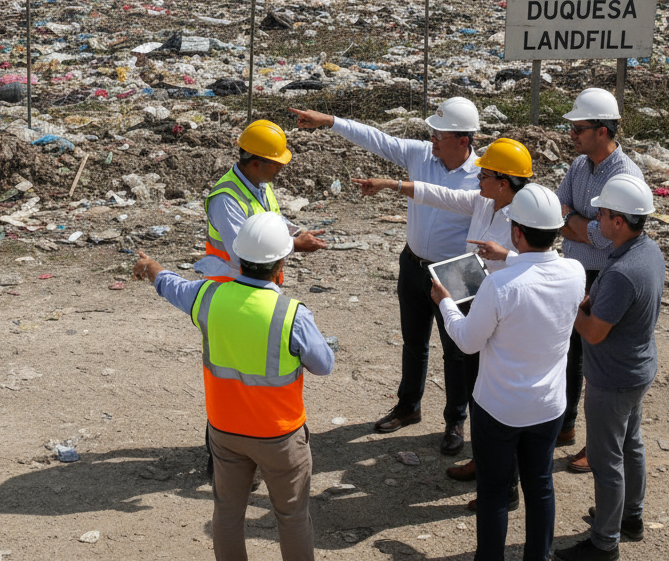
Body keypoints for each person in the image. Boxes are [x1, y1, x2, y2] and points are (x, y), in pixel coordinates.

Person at [133, 212, 335, 561]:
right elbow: (324, 365)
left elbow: (172, 286)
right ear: (281, 263)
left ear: (239, 258)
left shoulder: (209, 297)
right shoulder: (291, 314)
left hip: (225, 430)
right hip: (279, 437)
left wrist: (151, 267)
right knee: (292, 517)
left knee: (227, 513)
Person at [290, 96, 480, 455]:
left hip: (455, 272)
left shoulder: (482, 177)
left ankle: (456, 419)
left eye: (440, 134)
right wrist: (329, 120)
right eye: (432, 132)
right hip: (413, 263)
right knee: (414, 342)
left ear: (463, 141)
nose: (432, 139)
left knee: (457, 351)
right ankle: (409, 405)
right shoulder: (422, 155)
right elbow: (378, 139)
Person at [354, 137, 533, 497]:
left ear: (503, 181)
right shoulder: (486, 201)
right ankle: (482, 461)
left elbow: (540, 266)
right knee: (474, 378)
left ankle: (502, 482)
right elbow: (440, 195)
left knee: (486, 385)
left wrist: (505, 257)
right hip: (476, 292)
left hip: (505, 311)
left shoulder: (526, 217)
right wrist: (391, 184)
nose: (476, 179)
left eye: (484, 175)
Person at [433, 184, 586, 561]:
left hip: (498, 407)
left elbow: (468, 342)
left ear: (516, 231)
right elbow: (539, 270)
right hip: (548, 406)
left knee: (494, 492)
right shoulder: (575, 272)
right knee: (539, 487)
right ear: (556, 231)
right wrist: (511, 256)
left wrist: (446, 303)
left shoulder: (499, 285)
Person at [554, 175, 664, 561]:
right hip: (636, 370)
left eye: (602, 213)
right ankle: (630, 518)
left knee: (606, 460)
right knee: (630, 445)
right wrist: (590, 304)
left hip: (613, 379)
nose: (596, 219)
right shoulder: (648, 252)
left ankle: (604, 544)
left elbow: (595, 334)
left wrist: (570, 308)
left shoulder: (620, 272)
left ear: (619, 221)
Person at [556, 88, 644, 472]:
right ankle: (567, 424)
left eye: (580, 127)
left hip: (605, 276)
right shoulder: (579, 167)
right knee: (572, 356)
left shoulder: (624, 176)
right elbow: (558, 213)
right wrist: (578, 224)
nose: (572, 134)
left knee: (599, 362)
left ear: (603, 130)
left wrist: (577, 224)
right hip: (577, 271)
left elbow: (603, 234)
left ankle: (597, 446)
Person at [196, 118, 327, 278]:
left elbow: (273, 219)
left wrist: (297, 232)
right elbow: (243, 253)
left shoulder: (261, 183)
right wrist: (294, 245)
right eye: (276, 163)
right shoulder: (226, 200)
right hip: (230, 287)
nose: (282, 166)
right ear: (256, 164)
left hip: (257, 284)